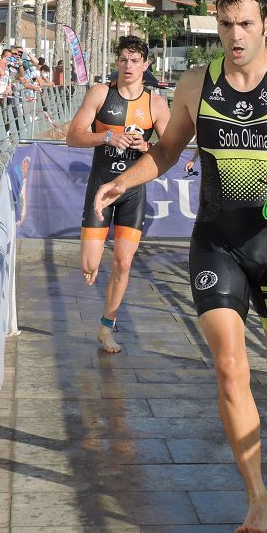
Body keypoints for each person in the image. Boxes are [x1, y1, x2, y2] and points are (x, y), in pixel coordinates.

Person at [93, 0, 267, 533]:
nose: (234, 36)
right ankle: (255, 494)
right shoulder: (195, 84)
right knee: (230, 367)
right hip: (216, 243)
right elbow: (165, 153)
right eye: (225, 24)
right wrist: (123, 184)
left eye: (245, 24)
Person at [68, 35, 171, 354]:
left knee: (123, 264)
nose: (129, 66)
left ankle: (106, 327)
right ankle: (101, 301)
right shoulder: (100, 93)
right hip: (101, 190)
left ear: (146, 65)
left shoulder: (156, 103)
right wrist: (107, 138)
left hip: (133, 193)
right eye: (124, 60)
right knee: (89, 265)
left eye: (135, 60)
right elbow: (73, 136)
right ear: (117, 63)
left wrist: (147, 147)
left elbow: (170, 149)